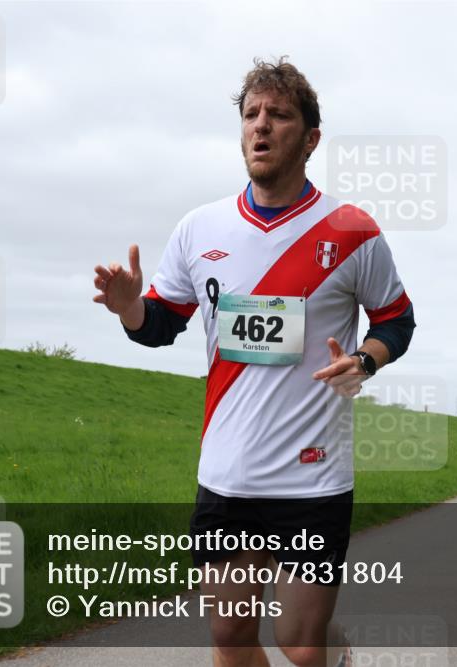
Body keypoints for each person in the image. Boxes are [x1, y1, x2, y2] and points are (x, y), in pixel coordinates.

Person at [92, 58, 415, 667]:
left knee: (298, 641)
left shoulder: (352, 232)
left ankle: (334, 653)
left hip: (312, 477)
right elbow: (159, 326)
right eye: (251, 115)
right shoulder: (199, 228)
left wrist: (366, 361)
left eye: (279, 115)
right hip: (228, 473)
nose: (261, 127)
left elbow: (397, 318)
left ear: (310, 138)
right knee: (231, 637)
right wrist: (133, 308)